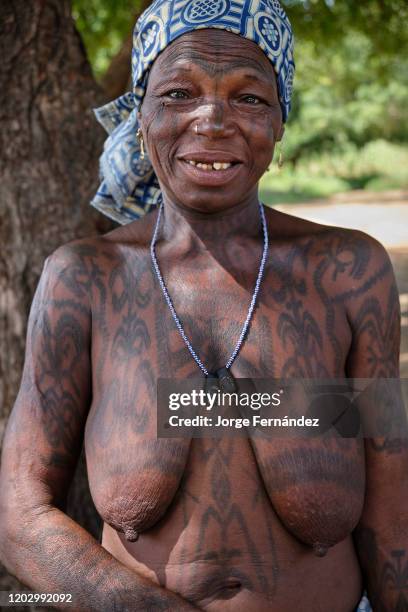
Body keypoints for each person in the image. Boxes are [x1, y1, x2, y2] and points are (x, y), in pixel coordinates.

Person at [0, 1, 406, 610]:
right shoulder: (84, 281)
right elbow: (19, 511)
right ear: (141, 115)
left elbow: (390, 506)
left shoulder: (347, 274)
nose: (213, 119)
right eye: (179, 93)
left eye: (249, 98)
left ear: (280, 121)